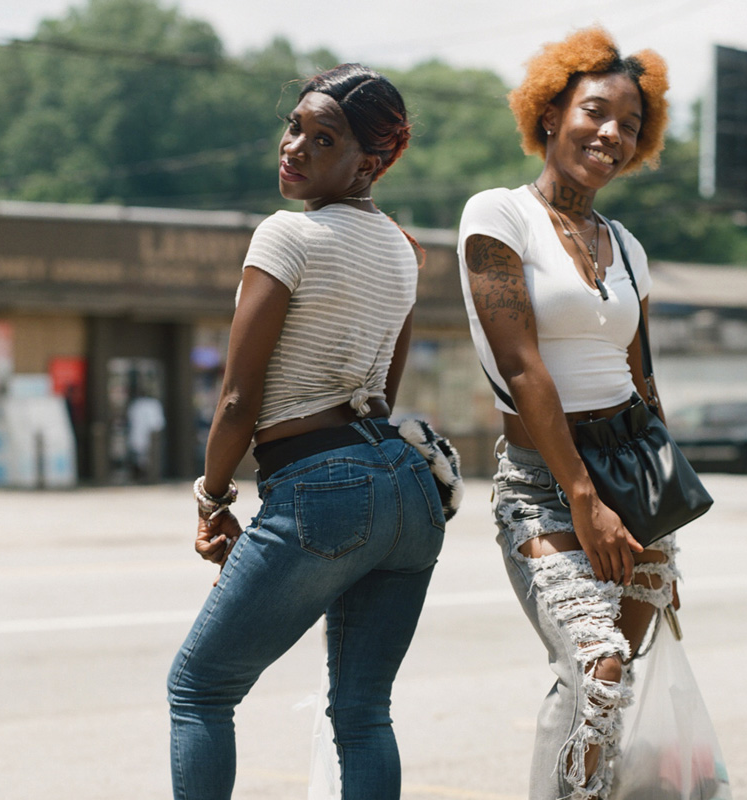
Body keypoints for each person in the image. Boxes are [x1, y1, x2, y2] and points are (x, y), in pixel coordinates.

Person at [166, 64, 446, 800]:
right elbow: (382, 395)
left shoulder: (286, 235)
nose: (295, 147)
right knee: (362, 712)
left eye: (323, 140)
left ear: (369, 163)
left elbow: (237, 399)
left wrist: (212, 497)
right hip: (409, 494)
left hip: (321, 489)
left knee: (199, 689)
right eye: (296, 127)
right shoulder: (403, 251)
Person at [457, 27, 679, 800]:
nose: (610, 133)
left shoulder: (627, 246)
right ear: (550, 113)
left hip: (634, 475)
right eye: (594, 112)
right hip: (546, 483)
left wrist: (661, 513)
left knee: (602, 693)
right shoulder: (497, 217)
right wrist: (583, 498)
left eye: (628, 123)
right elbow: (523, 369)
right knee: (600, 667)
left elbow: (643, 385)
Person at [126, 391, 165, 480]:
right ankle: (143, 475)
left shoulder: (147, 405)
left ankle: (148, 475)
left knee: (144, 456)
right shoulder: (142, 405)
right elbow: (158, 423)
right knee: (141, 457)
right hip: (143, 436)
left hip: (149, 437)